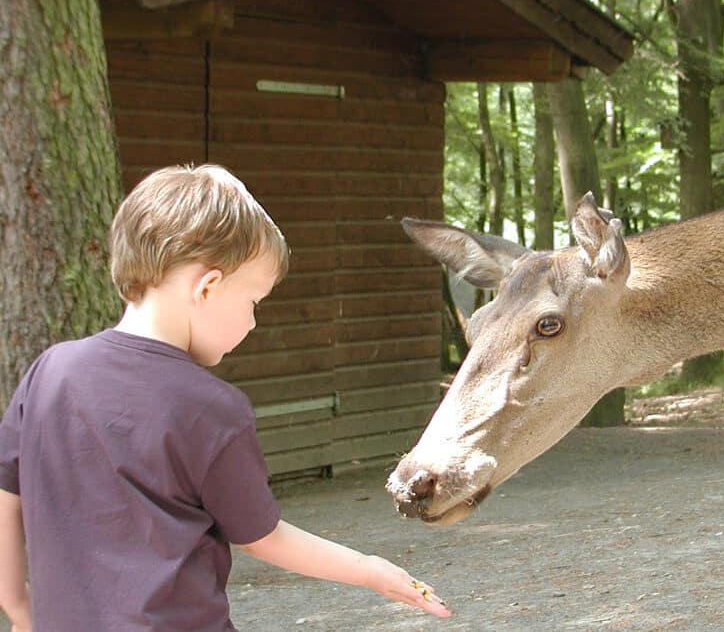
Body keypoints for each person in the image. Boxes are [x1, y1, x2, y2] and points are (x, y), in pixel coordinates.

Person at [0, 164, 450, 631]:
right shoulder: (212, 408)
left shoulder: (48, 372)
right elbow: (262, 538)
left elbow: (6, 498)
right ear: (208, 287)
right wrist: (370, 570)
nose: (253, 323)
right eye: (253, 301)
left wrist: (17, 603)